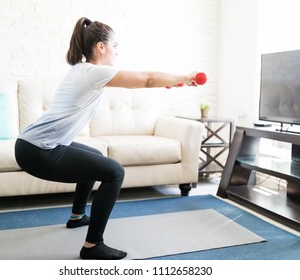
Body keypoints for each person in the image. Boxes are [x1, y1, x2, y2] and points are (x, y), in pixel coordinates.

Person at [14, 17, 198, 260]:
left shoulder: (82, 71)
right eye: (115, 47)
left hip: (30, 145)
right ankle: (92, 245)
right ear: (101, 47)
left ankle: (77, 216)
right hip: (39, 150)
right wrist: (185, 76)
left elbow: (146, 82)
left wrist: (171, 81)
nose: (117, 53)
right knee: (114, 172)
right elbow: (147, 78)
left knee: (97, 159)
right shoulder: (94, 72)